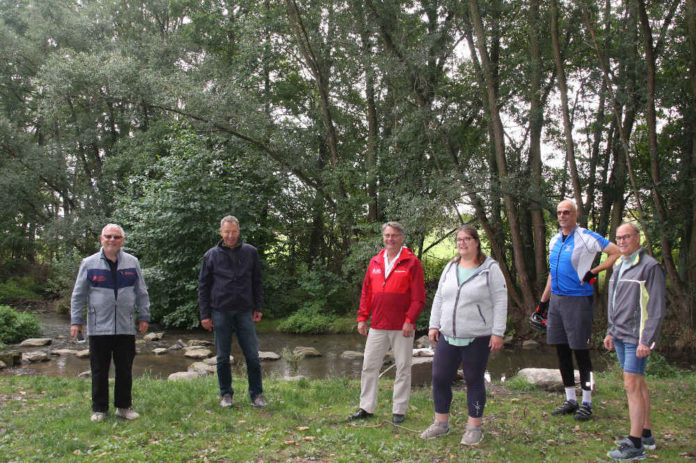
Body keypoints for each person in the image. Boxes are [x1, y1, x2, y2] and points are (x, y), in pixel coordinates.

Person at [420, 225, 507, 446]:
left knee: (474, 380)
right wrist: (433, 325)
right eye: (459, 239)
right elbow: (440, 297)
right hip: (447, 335)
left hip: (477, 337)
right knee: (440, 378)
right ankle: (441, 423)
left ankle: (474, 427)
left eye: (467, 239)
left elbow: (500, 300)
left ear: (476, 242)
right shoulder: (450, 267)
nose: (462, 243)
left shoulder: (490, 268)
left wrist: (497, 332)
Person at [540, 199, 620, 421]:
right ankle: (570, 399)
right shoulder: (554, 240)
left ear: (575, 215)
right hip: (556, 301)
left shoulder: (586, 237)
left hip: (578, 301)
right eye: (559, 212)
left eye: (567, 212)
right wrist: (543, 303)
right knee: (561, 351)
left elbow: (615, 252)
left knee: (581, 352)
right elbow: (552, 273)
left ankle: (587, 401)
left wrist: (594, 271)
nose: (563, 215)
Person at [70, 224, 150, 422]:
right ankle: (99, 409)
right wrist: (76, 321)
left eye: (116, 237)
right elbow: (78, 294)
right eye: (108, 236)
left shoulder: (132, 262)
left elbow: (141, 292)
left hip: (125, 325)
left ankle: (124, 407)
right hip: (99, 327)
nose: (112, 240)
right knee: (99, 369)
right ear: (101, 239)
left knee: (124, 369)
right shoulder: (88, 263)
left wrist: (144, 316)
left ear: (122, 240)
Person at [348, 222, 426, 424]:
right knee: (369, 366)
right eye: (387, 235)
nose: (390, 239)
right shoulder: (375, 261)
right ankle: (366, 407)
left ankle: (399, 410)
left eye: (394, 235)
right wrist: (362, 317)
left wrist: (410, 320)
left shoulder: (412, 262)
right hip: (378, 324)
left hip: (402, 327)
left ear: (402, 238)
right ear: (383, 237)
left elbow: (419, 298)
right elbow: (366, 292)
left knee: (403, 368)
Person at [604, 223, 665, 461]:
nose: (621, 241)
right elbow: (614, 303)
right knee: (637, 384)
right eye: (618, 238)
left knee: (631, 385)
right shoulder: (619, 265)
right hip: (619, 335)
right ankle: (646, 434)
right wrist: (610, 331)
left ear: (637, 238)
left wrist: (646, 340)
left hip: (636, 337)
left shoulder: (650, 266)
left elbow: (656, 308)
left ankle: (635, 444)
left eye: (626, 237)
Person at [198, 216, 266, 408]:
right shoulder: (210, 255)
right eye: (227, 232)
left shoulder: (250, 252)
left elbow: (257, 282)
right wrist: (205, 315)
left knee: (252, 355)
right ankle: (226, 394)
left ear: (239, 231)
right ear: (221, 232)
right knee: (222, 357)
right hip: (220, 311)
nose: (230, 235)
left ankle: (256, 394)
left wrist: (258, 307)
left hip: (245, 310)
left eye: (234, 232)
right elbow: (203, 286)